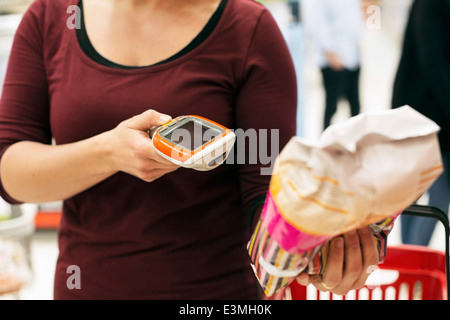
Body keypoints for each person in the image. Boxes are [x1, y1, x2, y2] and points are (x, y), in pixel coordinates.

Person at [0, 0, 380, 299]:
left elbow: (266, 196)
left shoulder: (248, 29)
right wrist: (110, 153)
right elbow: (12, 174)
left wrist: (316, 247)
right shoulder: (51, 18)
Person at [392, 0, 450, 246]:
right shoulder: (430, 4)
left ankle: (411, 260)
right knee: (433, 193)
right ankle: (413, 259)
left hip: (431, 112)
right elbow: (432, 58)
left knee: (424, 194)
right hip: (424, 114)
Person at [302, 0, 364, 130]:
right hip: (333, 58)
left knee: (355, 105)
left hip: (352, 55)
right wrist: (330, 51)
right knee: (332, 106)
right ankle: (326, 143)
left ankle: (356, 142)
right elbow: (318, 22)